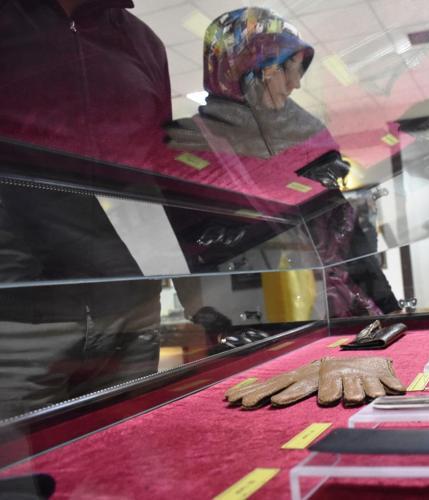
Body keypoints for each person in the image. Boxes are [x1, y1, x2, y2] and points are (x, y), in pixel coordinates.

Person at [165, 7, 400, 318]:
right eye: (287, 68)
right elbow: (182, 255)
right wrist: (209, 319)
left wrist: (389, 306)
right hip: (249, 321)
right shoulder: (190, 144)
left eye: (298, 70)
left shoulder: (308, 135)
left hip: (338, 311)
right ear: (247, 67)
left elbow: (347, 237)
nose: (295, 83)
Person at [0, 0, 172, 418]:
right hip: (19, 315)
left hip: (131, 308)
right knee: (19, 458)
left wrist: (179, 278)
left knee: (129, 447)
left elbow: (156, 168)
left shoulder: (143, 42)